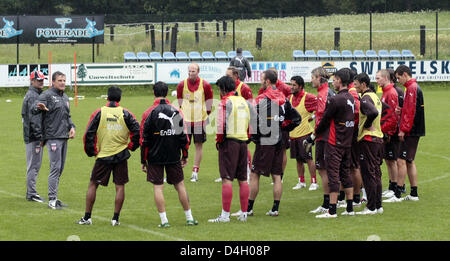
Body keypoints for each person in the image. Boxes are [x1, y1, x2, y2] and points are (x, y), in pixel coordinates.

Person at [78, 86, 140, 226]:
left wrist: (91, 151)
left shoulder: (99, 112)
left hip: (104, 155)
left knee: (93, 184)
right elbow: (138, 132)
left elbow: (88, 134)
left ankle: (87, 217)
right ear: (120, 98)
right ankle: (115, 219)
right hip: (122, 155)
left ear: (107, 97)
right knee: (120, 186)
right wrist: (131, 146)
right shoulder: (126, 113)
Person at [141, 81, 199, 228]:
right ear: (167, 93)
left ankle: (164, 221)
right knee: (180, 185)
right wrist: (184, 155)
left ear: (154, 93)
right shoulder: (176, 111)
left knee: (158, 187)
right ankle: (189, 218)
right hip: (174, 155)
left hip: (155, 156)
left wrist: (143, 160)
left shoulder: (148, 113)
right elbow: (183, 136)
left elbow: (144, 139)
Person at [246, 69, 301, 217]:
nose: (260, 81)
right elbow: (297, 119)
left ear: (268, 81)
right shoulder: (284, 98)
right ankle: (275, 209)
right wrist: (284, 126)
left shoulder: (262, 99)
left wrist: (254, 137)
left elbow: (253, 120)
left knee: (255, 173)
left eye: (262, 79)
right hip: (280, 139)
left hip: (266, 141)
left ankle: (249, 208)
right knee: (277, 175)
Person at [305, 68, 355, 218]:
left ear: (339, 80)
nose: (333, 82)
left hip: (334, 140)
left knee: (332, 174)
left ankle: (331, 209)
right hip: (346, 141)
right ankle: (350, 208)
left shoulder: (333, 98)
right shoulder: (350, 97)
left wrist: (312, 137)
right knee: (345, 173)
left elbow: (325, 120)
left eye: (334, 80)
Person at [208, 76, 255, 223]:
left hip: (230, 142)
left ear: (223, 89)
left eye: (219, 89)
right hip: (243, 142)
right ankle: (244, 213)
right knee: (243, 179)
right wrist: (247, 138)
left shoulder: (225, 102)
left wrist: (219, 141)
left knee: (227, 178)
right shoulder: (244, 101)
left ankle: (225, 215)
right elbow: (250, 123)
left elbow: (221, 125)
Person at [32, 71, 75, 210]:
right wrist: (40, 107)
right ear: (53, 82)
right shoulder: (47, 95)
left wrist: (72, 126)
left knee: (60, 168)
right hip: (53, 137)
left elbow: (67, 116)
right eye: (60, 80)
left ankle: (54, 197)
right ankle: (52, 199)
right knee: (55, 167)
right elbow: (34, 108)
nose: (63, 83)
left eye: (64, 80)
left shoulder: (65, 97)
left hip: (64, 136)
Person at [385, 65, 425, 202]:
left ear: (405, 74)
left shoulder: (412, 89)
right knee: (409, 161)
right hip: (415, 130)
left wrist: (403, 129)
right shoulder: (413, 87)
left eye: (398, 77)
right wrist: (401, 111)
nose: (398, 80)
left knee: (401, 160)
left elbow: (410, 112)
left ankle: (397, 194)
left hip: (411, 131)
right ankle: (414, 193)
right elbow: (408, 110)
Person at [353, 73, 384, 215]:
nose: (355, 86)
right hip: (378, 138)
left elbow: (372, 113)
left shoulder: (365, 98)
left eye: (356, 84)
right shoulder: (375, 97)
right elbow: (386, 110)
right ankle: (378, 205)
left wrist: (366, 124)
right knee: (376, 173)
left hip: (368, 139)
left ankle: (371, 207)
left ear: (363, 84)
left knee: (368, 173)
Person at [176, 63, 213, 182]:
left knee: (198, 146)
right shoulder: (182, 85)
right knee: (180, 145)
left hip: (199, 121)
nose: (191, 73)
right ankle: (176, 171)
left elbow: (209, 103)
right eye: (189, 71)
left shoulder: (205, 85)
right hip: (185, 121)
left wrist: (203, 116)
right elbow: (180, 102)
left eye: (193, 71)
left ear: (198, 72)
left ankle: (195, 172)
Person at [217, 67, 253, 184]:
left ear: (236, 75)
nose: (227, 77)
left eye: (229, 75)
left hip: (240, 125)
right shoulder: (225, 87)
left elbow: (251, 108)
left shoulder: (244, 88)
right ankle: (231, 174)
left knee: (242, 149)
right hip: (232, 124)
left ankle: (247, 172)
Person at [307, 67, 336, 214]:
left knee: (324, 170)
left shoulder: (324, 94)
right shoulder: (329, 92)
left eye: (312, 77)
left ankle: (328, 204)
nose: (311, 80)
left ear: (319, 78)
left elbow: (323, 118)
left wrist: (313, 136)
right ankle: (335, 201)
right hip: (331, 135)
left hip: (325, 137)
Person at [288, 76, 319, 191]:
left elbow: (322, 109)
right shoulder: (289, 98)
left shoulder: (308, 97)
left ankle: (314, 182)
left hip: (305, 134)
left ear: (300, 86)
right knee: (298, 159)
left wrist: (313, 117)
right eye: (290, 84)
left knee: (308, 158)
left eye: (294, 85)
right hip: (293, 135)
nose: (291, 87)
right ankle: (301, 181)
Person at [376, 69, 402, 200]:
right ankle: (392, 186)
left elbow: (392, 117)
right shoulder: (385, 92)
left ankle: (396, 187)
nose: (376, 81)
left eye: (378, 78)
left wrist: (387, 132)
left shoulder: (391, 93)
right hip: (385, 131)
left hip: (390, 133)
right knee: (388, 160)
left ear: (386, 78)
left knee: (392, 161)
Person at [22, 70, 46, 203]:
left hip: (31, 134)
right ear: (32, 81)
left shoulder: (33, 94)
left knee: (34, 164)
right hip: (33, 136)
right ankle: (31, 193)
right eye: (38, 80)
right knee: (34, 165)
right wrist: (39, 136)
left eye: (42, 80)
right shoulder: (33, 96)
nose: (41, 82)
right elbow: (34, 119)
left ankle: (30, 192)